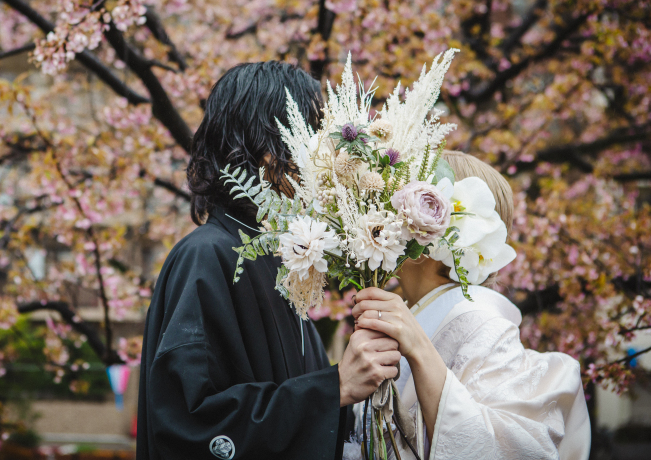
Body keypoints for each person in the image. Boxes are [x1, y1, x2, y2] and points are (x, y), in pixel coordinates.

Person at [136, 61, 402, 460]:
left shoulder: (281, 260)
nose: (321, 158)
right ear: (266, 150)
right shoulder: (205, 256)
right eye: (310, 137)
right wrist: (335, 388)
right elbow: (187, 425)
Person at [350, 150, 591, 460]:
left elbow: (494, 448)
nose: (392, 215)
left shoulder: (481, 320)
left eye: (409, 205)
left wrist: (421, 350)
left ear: (442, 231)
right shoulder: (414, 312)